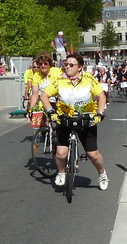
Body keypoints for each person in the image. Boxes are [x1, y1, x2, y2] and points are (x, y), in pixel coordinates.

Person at [39, 53, 109, 191]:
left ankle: (102, 174)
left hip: (86, 119)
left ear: (80, 67)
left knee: (93, 154)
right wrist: (51, 111)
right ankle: (61, 173)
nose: (67, 67)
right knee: (61, 153)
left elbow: (101, 96)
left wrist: (100, 113)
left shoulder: (88, 79)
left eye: (71, 65)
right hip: (64, 119)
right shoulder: (60, 80)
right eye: (66, 64)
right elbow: (44, 95)